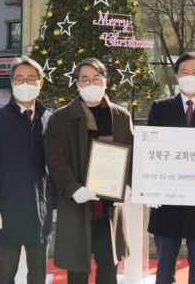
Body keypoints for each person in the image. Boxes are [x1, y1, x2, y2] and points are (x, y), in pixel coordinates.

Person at [44, 57, 132, 284]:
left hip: (110, 206)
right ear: (77, 84)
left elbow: (131, 154)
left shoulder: (121, 116)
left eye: (96, 78)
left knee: (108, 267)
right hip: (77, 204)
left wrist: (128, 184)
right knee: (77, 270)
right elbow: (55, 159)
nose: (91, 84)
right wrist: (74, 189)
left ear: (105, 81)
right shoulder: (60, 118)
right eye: (85, 79)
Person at [146, 52, 195, 284]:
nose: (189, 76)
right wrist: (150, 186)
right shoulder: (160, 107)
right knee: (163, 268)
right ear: (176, 76)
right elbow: (151, 150)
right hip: (166, 199)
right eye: (184, 72)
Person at [0, 57, 56, 283]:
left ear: (40, 83)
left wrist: (55, 203)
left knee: (38, 275)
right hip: (6, 211)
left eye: (31, 79)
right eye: (19, 78)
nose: (25, 83)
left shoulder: (49, 120)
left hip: (40, 212)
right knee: (5, 275)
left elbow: (55, 167)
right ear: (11, 82)